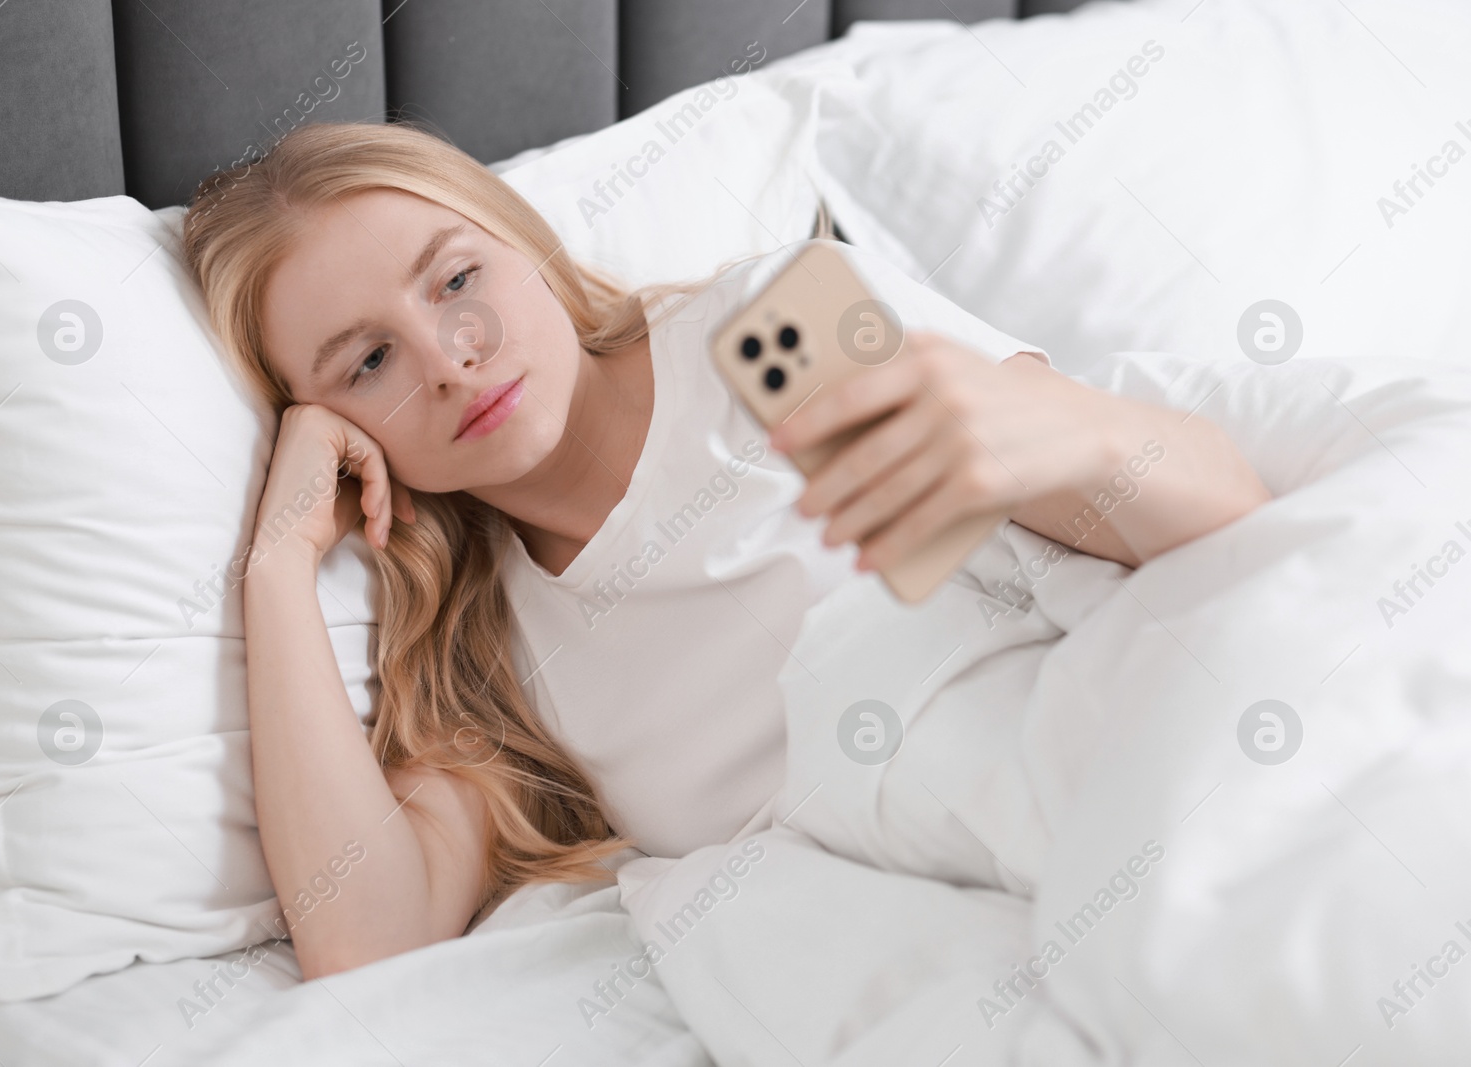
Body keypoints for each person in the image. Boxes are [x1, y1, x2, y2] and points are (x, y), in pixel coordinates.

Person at [180, 120, 1270, 981]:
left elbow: (1200, 508)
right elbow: (367, 943)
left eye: (457, 279)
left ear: (519, 240)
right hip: (973, 919)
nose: (451, 360)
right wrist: (276, 568)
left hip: (1153, 763)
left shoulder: (767, 334)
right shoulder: (491, 647)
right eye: (369, 361)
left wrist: (1022, 428)